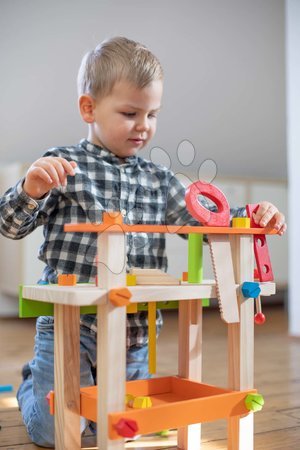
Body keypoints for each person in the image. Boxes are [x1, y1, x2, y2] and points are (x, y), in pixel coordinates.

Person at [0, 36, 286, 447]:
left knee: (125, 425)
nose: (144, 125)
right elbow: (10, 227)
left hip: (132, 334)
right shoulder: (62, 166)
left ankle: (70, 394)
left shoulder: (161, 180)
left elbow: (206, 221)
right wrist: (31, 189)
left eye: (153, 113)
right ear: (89, 108)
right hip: (69, 331)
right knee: (59, 432)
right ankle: (33, 383)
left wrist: (249, 217)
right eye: (130, 113)